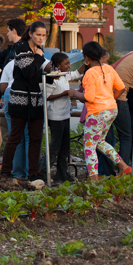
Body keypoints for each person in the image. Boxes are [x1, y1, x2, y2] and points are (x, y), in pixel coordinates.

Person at [70, 41, 133, 180]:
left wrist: (74, 93)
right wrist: (110, 99)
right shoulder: (108, 69)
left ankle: (94, 180)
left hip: (96, 113)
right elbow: (121, 87)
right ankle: (123, 166)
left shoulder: (90, 73)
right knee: (99, 142)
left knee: (89, 146)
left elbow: (88, 97)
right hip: (111, 109)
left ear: (86, 58)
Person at [0, 21, 49, 184]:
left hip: (35, 99)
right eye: (38, 34)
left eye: (44, 35)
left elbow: (39, 73)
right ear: (31, 33)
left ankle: (33, 173)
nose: (41, 38)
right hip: (19, 98)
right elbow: (28, 72)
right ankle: (6, 170)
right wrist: (39, 58)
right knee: (15, 136)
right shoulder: (21, 49)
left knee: (35, 137)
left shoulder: (40, 51)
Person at [42, 52, 81, 182]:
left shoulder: (64, 76)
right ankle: (43, 172)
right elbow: (46, 96)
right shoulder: (52, 78)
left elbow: (76, 73)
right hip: (56, 117)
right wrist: (64, 93)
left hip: (65, 116)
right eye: (66, 63)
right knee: (55, 147)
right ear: (58, 65)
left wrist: (86, 63)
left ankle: (62, 174)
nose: (69, 65)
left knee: (65, 148)